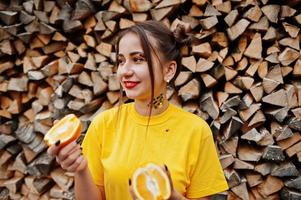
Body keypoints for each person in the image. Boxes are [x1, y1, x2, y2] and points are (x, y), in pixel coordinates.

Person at [48, 20, 229, 200]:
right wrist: (80, 170)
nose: (125, 71)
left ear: (169, 70)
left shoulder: (196, 131)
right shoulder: (104, 125)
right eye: (121, 61)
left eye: (138, 59)